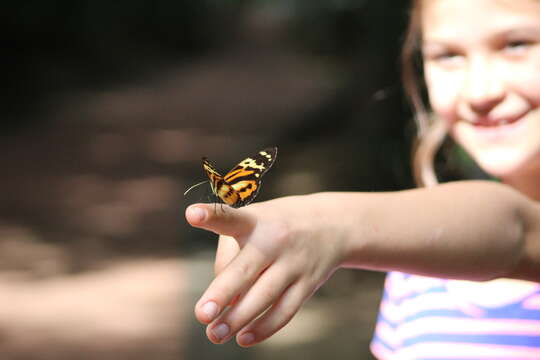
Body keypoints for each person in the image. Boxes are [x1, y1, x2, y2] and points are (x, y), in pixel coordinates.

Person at [185, 0, 540, 358]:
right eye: (446, 55)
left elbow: (516, 229)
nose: (479, 92)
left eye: (517, 45)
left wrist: (332, 221)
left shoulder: (431, 242)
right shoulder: (415, 272)